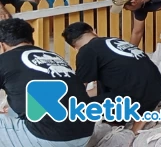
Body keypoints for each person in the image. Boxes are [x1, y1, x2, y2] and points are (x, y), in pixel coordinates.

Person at [0, 18, 94, 146]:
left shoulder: (5, 59)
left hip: (46, 138)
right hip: (84, 134)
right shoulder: (53, 57)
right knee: (10, 110)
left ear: (1, 45)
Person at [62, 22, 161, 134]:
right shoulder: (114, 41)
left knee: (77, 107)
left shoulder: (86, 51)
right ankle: (127, 116)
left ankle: (133, 120)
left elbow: (79, 90)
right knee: (104, 78)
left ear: (75, 47)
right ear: (94, 31)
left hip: (136, 98)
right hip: (156, 91)